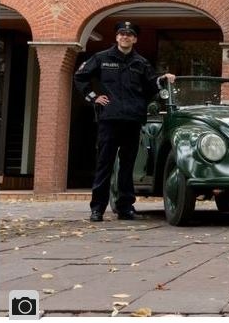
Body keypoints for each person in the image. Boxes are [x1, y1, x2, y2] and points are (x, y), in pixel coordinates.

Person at [74, 21, 175, 222]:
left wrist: (164, 78)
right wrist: (94, 97)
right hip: (109, 119)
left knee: (128, 166)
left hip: (132, 120)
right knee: (105, 164)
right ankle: (97, 209)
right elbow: (80, 77)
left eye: (129, 34)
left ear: (135, 39)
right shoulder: (102, 58)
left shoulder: (141, 63)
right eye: (121, 33)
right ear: (117, 37)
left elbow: (152, 85)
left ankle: (125, 208)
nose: (125, 37)